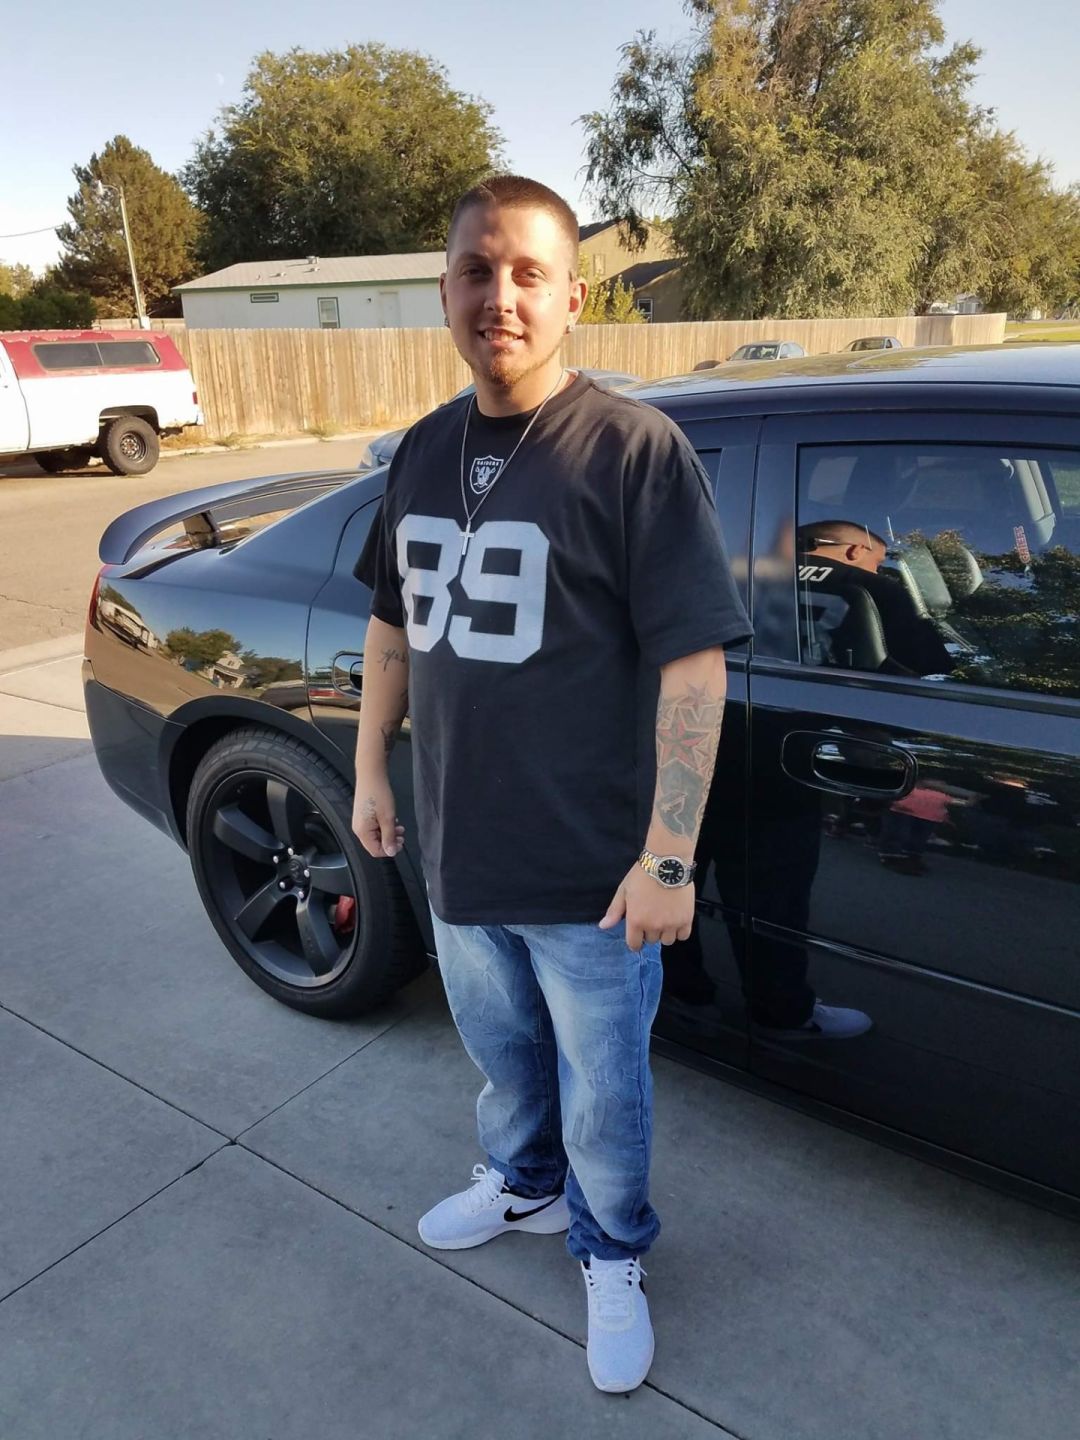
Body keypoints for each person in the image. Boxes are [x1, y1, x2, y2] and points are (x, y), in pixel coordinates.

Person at [351, 175, 751, 1394]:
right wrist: (371, 769)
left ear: (574, 297)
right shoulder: (423, 450)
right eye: (478, 270)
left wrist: (669, 855)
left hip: (595, 877)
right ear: (445, 291)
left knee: (604, 1098)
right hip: (459, 850)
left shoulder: (634, 450)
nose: (502, 297)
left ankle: (611, 1248)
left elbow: (694, 667)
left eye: (529, 273)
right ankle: (524, 1188)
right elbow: (391, 623)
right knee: (504, 1060)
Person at [796, 520, 954, 676]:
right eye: (878, 563)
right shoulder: (879, 588)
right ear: (856, 550)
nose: (876, 571)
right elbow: (932, 667)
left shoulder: (780, 577)